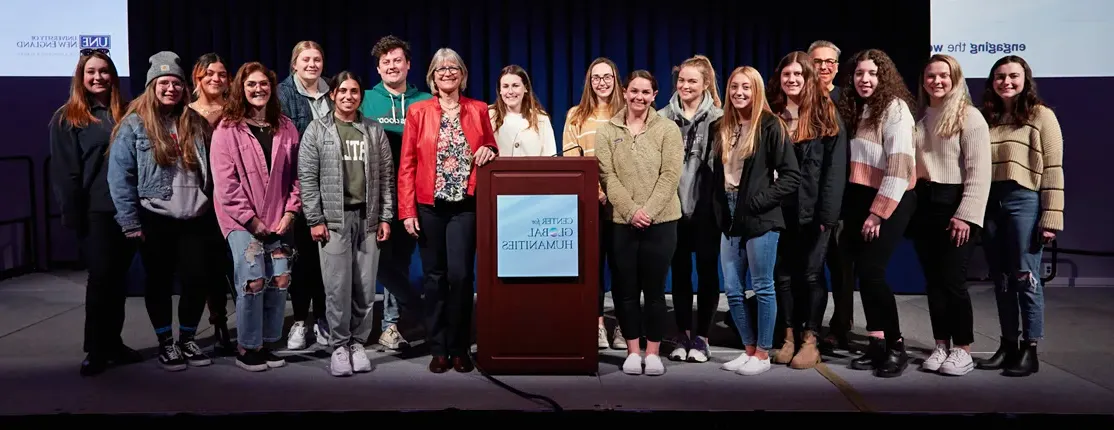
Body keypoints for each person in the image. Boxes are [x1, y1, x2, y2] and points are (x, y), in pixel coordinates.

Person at [107, 51, 215, 371]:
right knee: (160, 283)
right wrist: (129, 221)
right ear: (152, 85)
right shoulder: (135, 123)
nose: (171, 88)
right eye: (164, 82)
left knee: (196, 280)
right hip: (156, 216)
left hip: (195, 215)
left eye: (177, 83)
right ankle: (166, 343)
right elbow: (120, 175)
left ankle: (187, 338)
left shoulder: (195, 122)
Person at [397, 47, 498, 374]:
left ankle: (460, 347)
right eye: (440, 69)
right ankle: (439, 347)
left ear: (462, 74)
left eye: (453, 68)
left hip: (465, 206)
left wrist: (488, 148)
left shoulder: (478, 109)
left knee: (461, 275)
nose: (447, 73)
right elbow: (408, 164)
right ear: (432, 76)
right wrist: (407, 210)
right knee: (434, 278)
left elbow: (490, 145)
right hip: (429, 206)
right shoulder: (418, 111)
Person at [48, 48, 142, 376]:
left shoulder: (128, 113)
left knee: (118, 280)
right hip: (95, 212)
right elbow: (65, 173)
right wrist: (72, 215)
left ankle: (114, 342)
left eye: (104, 71)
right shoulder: (67, 118)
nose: (98, 77)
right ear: (81, 77)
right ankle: (96, 348)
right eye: (91, 72)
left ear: (113, 76)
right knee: (101, 279)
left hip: (129, 210)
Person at [300, 71, 395, 376]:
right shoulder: (318, 130)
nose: (348, 96)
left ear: (360, 96)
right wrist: (315, 219)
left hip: (367, 219)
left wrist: (385, 216)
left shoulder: (373, 130)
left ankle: (358, 342)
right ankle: (339, 345)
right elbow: (307, 178)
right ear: (333, 95)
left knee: (365, 288)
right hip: (334, 221)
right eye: (343, 91)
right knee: (337, 287)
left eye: (354, 91)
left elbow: (385, 177)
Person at [975, 55, 1064, 378]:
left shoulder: (1042, 116)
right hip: (991, 203)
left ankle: (1030, 348)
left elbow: (1053, 169)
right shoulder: (988, 118)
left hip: (1024, 201)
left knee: (1026, 278)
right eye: (999, 77)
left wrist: (1051, 218)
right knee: (1000, 280)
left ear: (1026, 79)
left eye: (1013, 76)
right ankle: (1008, 344)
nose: (1006, 82)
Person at [210, 61, 302, 372]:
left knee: (279, 279)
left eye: (263, 84)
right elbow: (226, 184)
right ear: (241, 89)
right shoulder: (227, 128)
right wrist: (252, 221)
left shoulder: (286, 126)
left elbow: (298, 176)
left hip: (278, 218)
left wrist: (291, 211)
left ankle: (266, 343)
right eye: (251, 85)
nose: (258, 89)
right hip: (241, 221)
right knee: (253, 279)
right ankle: (247, 347)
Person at [711, 66, 801, 376]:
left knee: (763, 287)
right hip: (730, 214)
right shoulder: (720, 126)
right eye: (734, 86)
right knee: (733, 289)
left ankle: (763, 353)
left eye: (746, 87)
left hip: (761, 216)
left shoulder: (770, 126)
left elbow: (791, 176)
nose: (739, 92)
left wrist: (760, 201)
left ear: (757, 90)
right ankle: (748, 349)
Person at [835, 49, 918, 378]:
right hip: (861, 197)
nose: (865, 79)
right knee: (863, 275)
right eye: (859, 74)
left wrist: (878, 214)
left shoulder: (895, 109)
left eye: (872, 74)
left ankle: (896, 346)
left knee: (872, 272)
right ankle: (876, 344)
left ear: (884, 77)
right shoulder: (857, 107)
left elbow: (899, 169)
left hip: (890, 200)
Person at [595, 70, 683, 376]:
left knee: (655, 290)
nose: (639, 97)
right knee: (625, 290)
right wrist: (632, 211)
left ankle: (653, 352)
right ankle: (633, 351)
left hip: (662, 222)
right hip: (621, 222)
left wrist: (649, 211)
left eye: (646, 92)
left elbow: (671, 175)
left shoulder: (668, 129)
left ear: (654, 95)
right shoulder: (607, 130)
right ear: (625, 91)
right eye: (634, 91)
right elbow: (607, 176)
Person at [911, 54, 992, 377]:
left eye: (944, 75)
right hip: (925, 204)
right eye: (931, 76)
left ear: (956, 78)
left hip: (956, 204)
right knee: (933, 282)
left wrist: (966, 216)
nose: (937, 81)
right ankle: (941, 343)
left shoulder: (970, 118)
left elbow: (978, 172)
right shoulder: (921, 118)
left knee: (953, 281)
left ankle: (963, 350)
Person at [767, 51, 847, 369]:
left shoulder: (826, 114)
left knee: (812, 274)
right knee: (782, 275)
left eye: (798, 74)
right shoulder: (771, 115)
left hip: (815, 212)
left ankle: (810, 340)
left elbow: (834, 170)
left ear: (808, 78)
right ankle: (788, 338)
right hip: (779, 210)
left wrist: (827, 216)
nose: (792, 79)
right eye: (787, 74)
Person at [359, 35, 431, 350]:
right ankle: (388, 323)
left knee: (411, 259)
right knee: (386, 262)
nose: (392, 66)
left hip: (419, 194)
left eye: (397, 60)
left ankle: (399, 324)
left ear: (408, 65)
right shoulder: (365, 100)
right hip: (379, 196)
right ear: (378, 68)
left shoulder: (425, 100)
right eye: (386, 62)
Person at [656, 55, 723, 364]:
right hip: (673, 209)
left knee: (708, 272)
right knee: (680, 273)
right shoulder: (662, 117)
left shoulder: (721, 118)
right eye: (681, 80)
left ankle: (702, 337)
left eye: (692, 81)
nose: (685, 85)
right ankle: (682, 332)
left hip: (707, 210)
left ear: (705, 83)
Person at [561, 57, 626, 350]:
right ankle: (597, 324)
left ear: (616, 80)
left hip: (624, 204)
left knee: (624, 268)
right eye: (596, 77)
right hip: (590, 203)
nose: (602, 82)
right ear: (589, 82)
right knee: (594, 269)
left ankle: (626, 326)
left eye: (607, 76)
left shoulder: (628, 114)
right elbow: (572, 161)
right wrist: (599, 192)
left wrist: (617, 195)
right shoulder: (576, 115)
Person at [277, 40, 333, 350]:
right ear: (294, 63)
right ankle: (299, 320)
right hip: (298, 187)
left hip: (332, 188)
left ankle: (323, 318)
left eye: (317, 59)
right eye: (306, 59)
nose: (312, 64)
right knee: (302, 260)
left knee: (327, 259)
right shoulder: (283, 94)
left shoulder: (334, 90)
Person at [186, 52, 235, 355]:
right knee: (208, 269)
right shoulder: (186, 112)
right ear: (198, 78)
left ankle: (250, 326)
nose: (216, 79)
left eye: (221, 74)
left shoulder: (234, 111)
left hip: (233, 199)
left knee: (237, 267)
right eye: (209, 74)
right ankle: (218, 325)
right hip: (200, 202)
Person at [488, 65, 557, 156]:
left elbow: (550, 156)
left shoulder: (541, 118)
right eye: (505, 86)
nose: (510, 91)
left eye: (515, 86)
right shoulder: (489, 115)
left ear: (525, 88)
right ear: (500, 90)